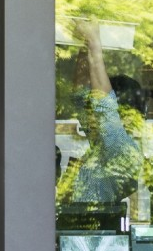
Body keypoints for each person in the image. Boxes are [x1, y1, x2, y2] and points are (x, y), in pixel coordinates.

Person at [59, 19, 142, 205]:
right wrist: (84, 47)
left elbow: (104, 106)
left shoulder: (121, 148)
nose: (91, 113)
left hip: (92, 231)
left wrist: (94, 42)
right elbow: (80, 96)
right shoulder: (100, 141)